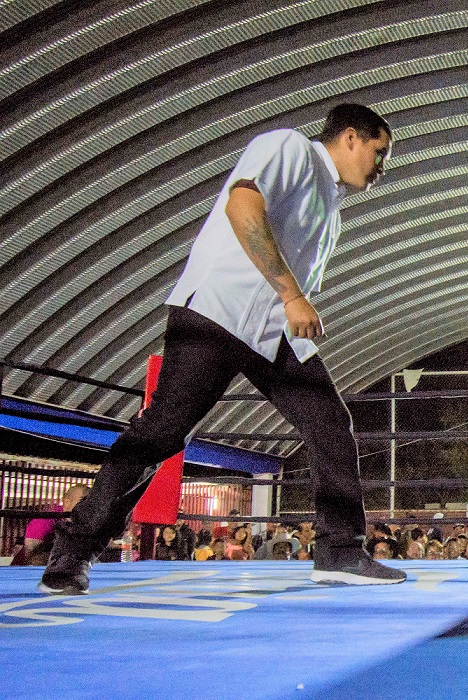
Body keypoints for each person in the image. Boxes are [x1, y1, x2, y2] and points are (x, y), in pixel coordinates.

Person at [38, 104, 404, 594]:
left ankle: (339, 550)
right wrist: (293, 295)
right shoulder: (290, 148)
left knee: (330, 422)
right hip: (217, 310)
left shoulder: (331, 209)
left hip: (272, 330)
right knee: (163, 432)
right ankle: (73, 550)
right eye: (379, 152)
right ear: (351, 138)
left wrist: (290, 304)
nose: (381, 167)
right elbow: (242, 206)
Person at [12, 484, 89, 566]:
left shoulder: (85, 521)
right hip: (29, 571)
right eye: (83, 500)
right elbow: (31, 554)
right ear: (67, 502)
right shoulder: (46, 520)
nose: (88, 506)